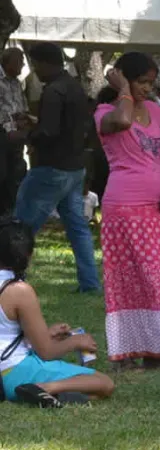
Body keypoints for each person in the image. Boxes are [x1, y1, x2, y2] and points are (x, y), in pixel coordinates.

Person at [97, 52, 160, 367]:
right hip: (125, 208)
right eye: (141, 82)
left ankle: (159, 349)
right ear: (123, 77)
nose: (147, 88)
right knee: (128, 280)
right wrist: (123, 89)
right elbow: (122, 121)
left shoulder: (156, 110)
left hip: (159, 207)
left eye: (151, 82)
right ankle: (129, 351)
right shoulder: (105, 112)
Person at [13, 43, 97, 294]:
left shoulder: (52, 91)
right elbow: (69, 125)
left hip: (51, 168)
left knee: (21, 227)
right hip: (74, 168)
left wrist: (26, 135)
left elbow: (49, 132)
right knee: (78, 228)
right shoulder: (74, 87)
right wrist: (37, 123)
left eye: (35, 65)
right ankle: (90, 283)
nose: (35, 71)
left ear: (45, 63)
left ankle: (12, 279)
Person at [0, 223, 113, 406]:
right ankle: (44, 388)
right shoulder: (19, 290)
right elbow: (46, 352)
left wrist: (47, 334)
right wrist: (75, 342)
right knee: (103, 383)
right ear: (28, 255)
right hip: (11, 372)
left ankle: (53, 395)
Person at [0, 48, 27, 214]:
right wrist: (9, 126)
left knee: (15, 172)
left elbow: (21, 105)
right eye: (20, 61)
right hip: (3, 134)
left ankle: (10, 211)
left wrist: (24, 119)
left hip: (16, 135)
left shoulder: (16, 83)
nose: (23, 65)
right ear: (8, 62)